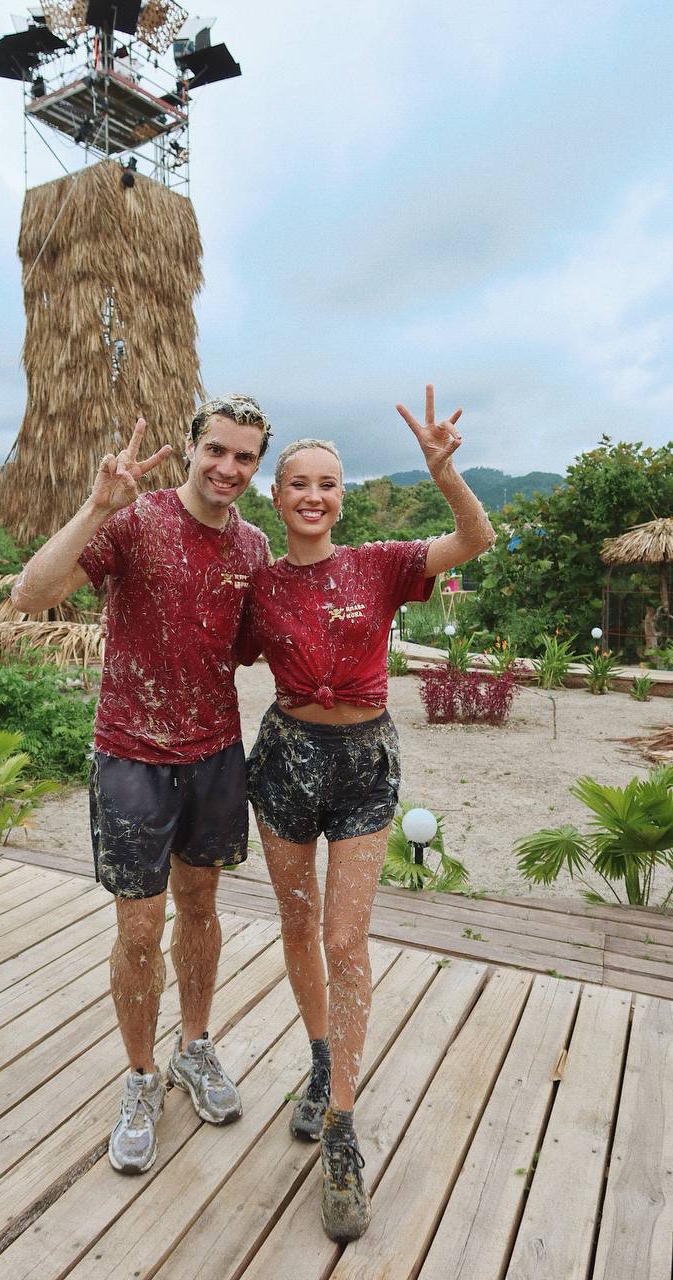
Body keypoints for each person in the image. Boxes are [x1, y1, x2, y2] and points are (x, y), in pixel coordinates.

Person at [239, 385, 494, 1240]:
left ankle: (341, 1128)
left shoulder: (380, 564)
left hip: (363, 762)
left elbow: (474, 540)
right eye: (298, 483)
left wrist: (443, 472)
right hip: (285, 760)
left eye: (327, 484)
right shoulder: (259, 585)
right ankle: (320, 1060)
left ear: (341, 497)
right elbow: (210, 644)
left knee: (345, 940)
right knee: (297, 921)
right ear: (276, 497)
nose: (313, 496)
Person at [11, 395, 272, 1175]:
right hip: (130, 752)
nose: (227, 466)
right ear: (191, 447)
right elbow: (31, 595)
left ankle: (194, 1046)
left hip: (215, 753)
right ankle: (139, 1076)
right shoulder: (134, 520)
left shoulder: (253, 546)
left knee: (201, 907)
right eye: (216, 449)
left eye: (244, 456)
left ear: (256, 466)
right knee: (137, 929)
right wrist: (97, 505)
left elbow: (260, 646)